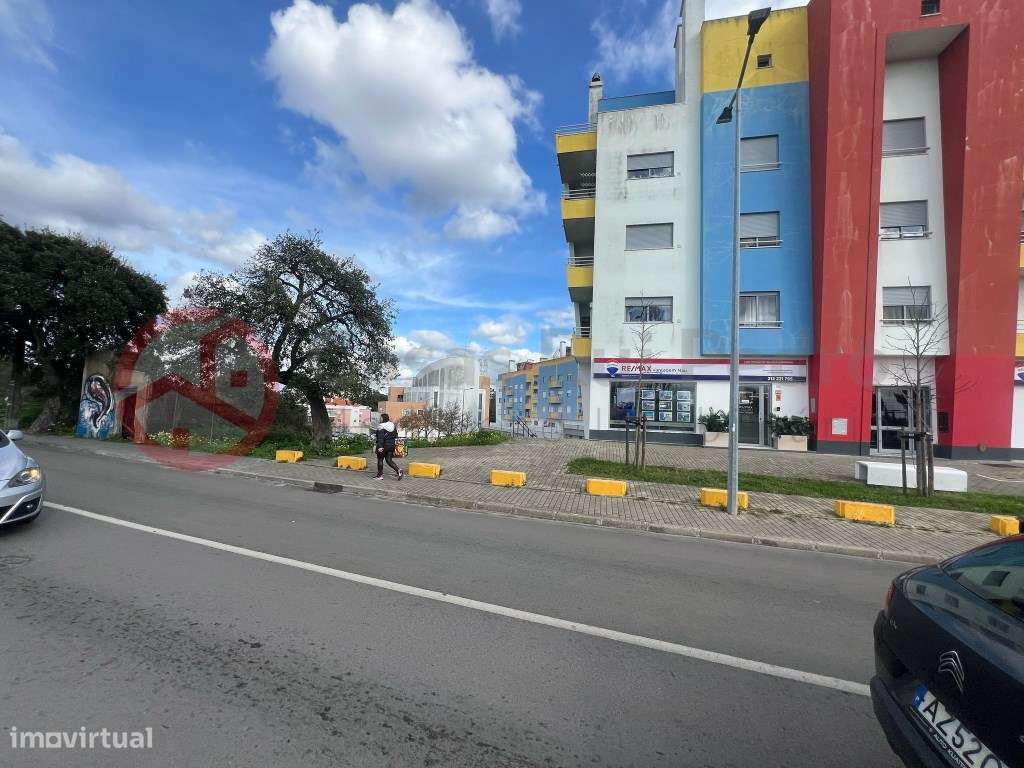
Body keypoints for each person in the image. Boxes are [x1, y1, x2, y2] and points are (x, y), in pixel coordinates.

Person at [374, 413, 403, 480]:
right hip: (391, 446)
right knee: (389, 460)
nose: (380, 419)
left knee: (380, 460)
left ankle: (380, 476)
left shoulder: (381, 426)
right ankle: (398, 470)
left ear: (383, 419)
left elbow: (380, 438)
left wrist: (380, 446)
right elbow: (395, 435)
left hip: (383, 446)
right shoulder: (392, 425)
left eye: (380, 418)